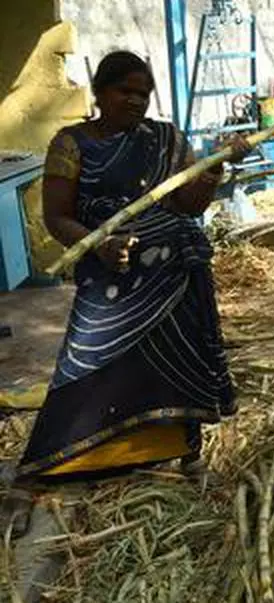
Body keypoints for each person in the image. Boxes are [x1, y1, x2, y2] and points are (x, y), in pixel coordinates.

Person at [1, 52, 248, 536]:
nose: (135, 100)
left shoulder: (167, 139)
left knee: (176, 362)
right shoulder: (70, 144)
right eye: (124, 91)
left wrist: (216, 168)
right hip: (110, 271)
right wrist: (100, 244)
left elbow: (189, 204)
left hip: (175, 270)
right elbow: (57, 217)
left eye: (143, 92)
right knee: (86, 359)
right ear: (99, 92)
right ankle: (55, 459)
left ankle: (170, 449)